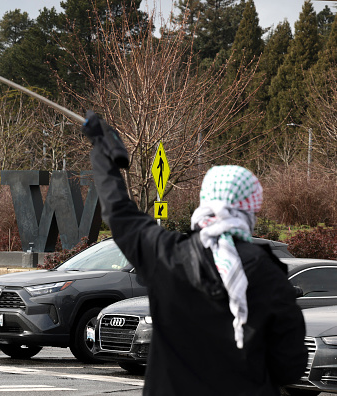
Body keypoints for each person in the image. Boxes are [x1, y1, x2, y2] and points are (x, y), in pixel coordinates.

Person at [82, 111, 308, 396]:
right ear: (251, 208)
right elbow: (290, 366)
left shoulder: (164, 254)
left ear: (205, 201)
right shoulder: (269, 274)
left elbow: (118, 211)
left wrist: (103, 152)